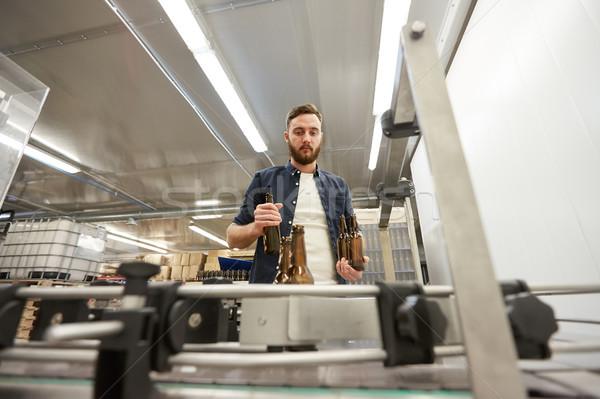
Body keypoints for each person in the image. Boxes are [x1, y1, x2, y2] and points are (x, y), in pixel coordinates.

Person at [226, 104, 369, 284]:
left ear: (320, 137)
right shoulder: (264, 179)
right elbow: (232, 238)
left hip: (331, 293)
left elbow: (357, 234)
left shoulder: (339, 185)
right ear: (287, 137)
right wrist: (256, 228)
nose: (306, 139)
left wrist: (355, 262)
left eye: (313, 132)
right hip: (275, 295)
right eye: (299, 132)